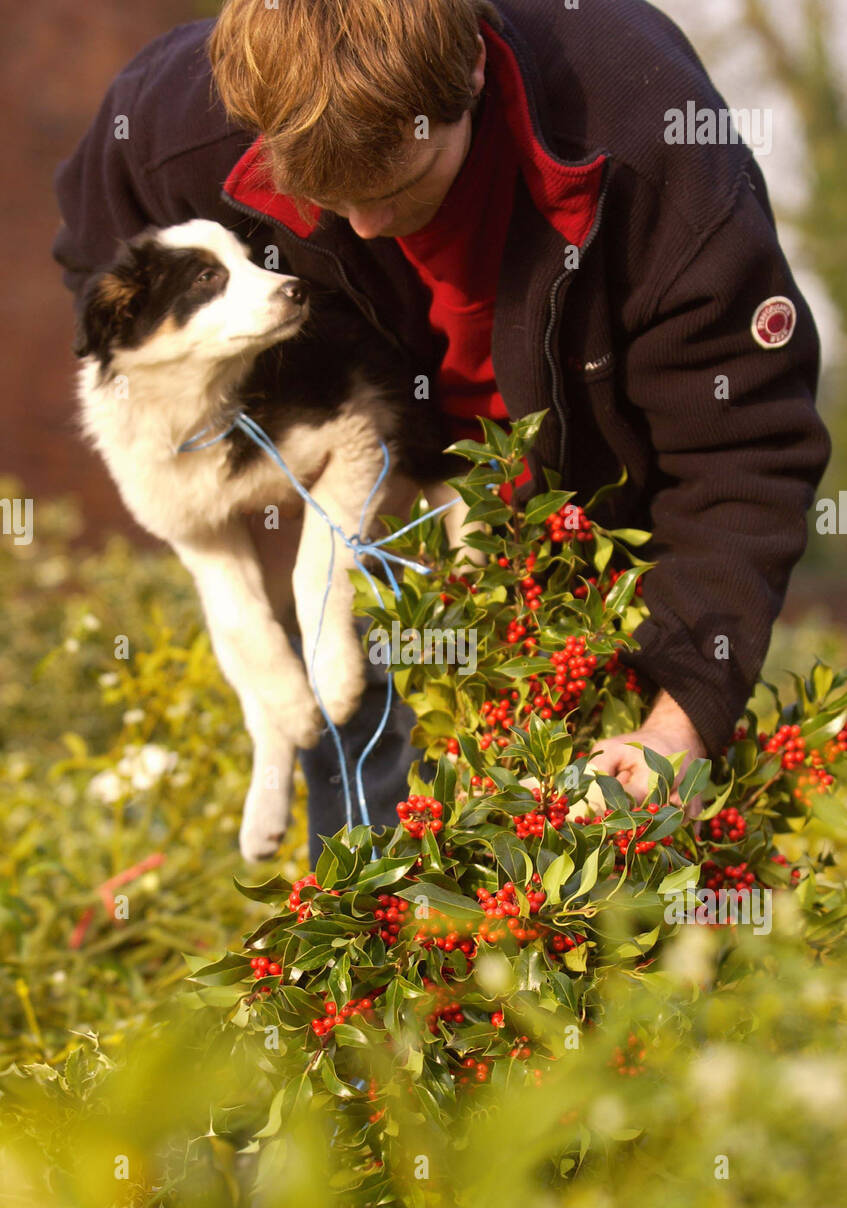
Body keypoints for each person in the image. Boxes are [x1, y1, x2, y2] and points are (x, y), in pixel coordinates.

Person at [53, 0, 830, 857]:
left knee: (575, 895)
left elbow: (744, 448)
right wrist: (228, 448)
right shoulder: (182, 115)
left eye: (389, 185)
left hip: (576, 539)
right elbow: (102, 269)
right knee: (376, 886)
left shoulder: (651, 142)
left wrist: (678, 721)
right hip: (370, 515)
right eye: (320, 196)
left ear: (467, 75)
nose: (365, 226)